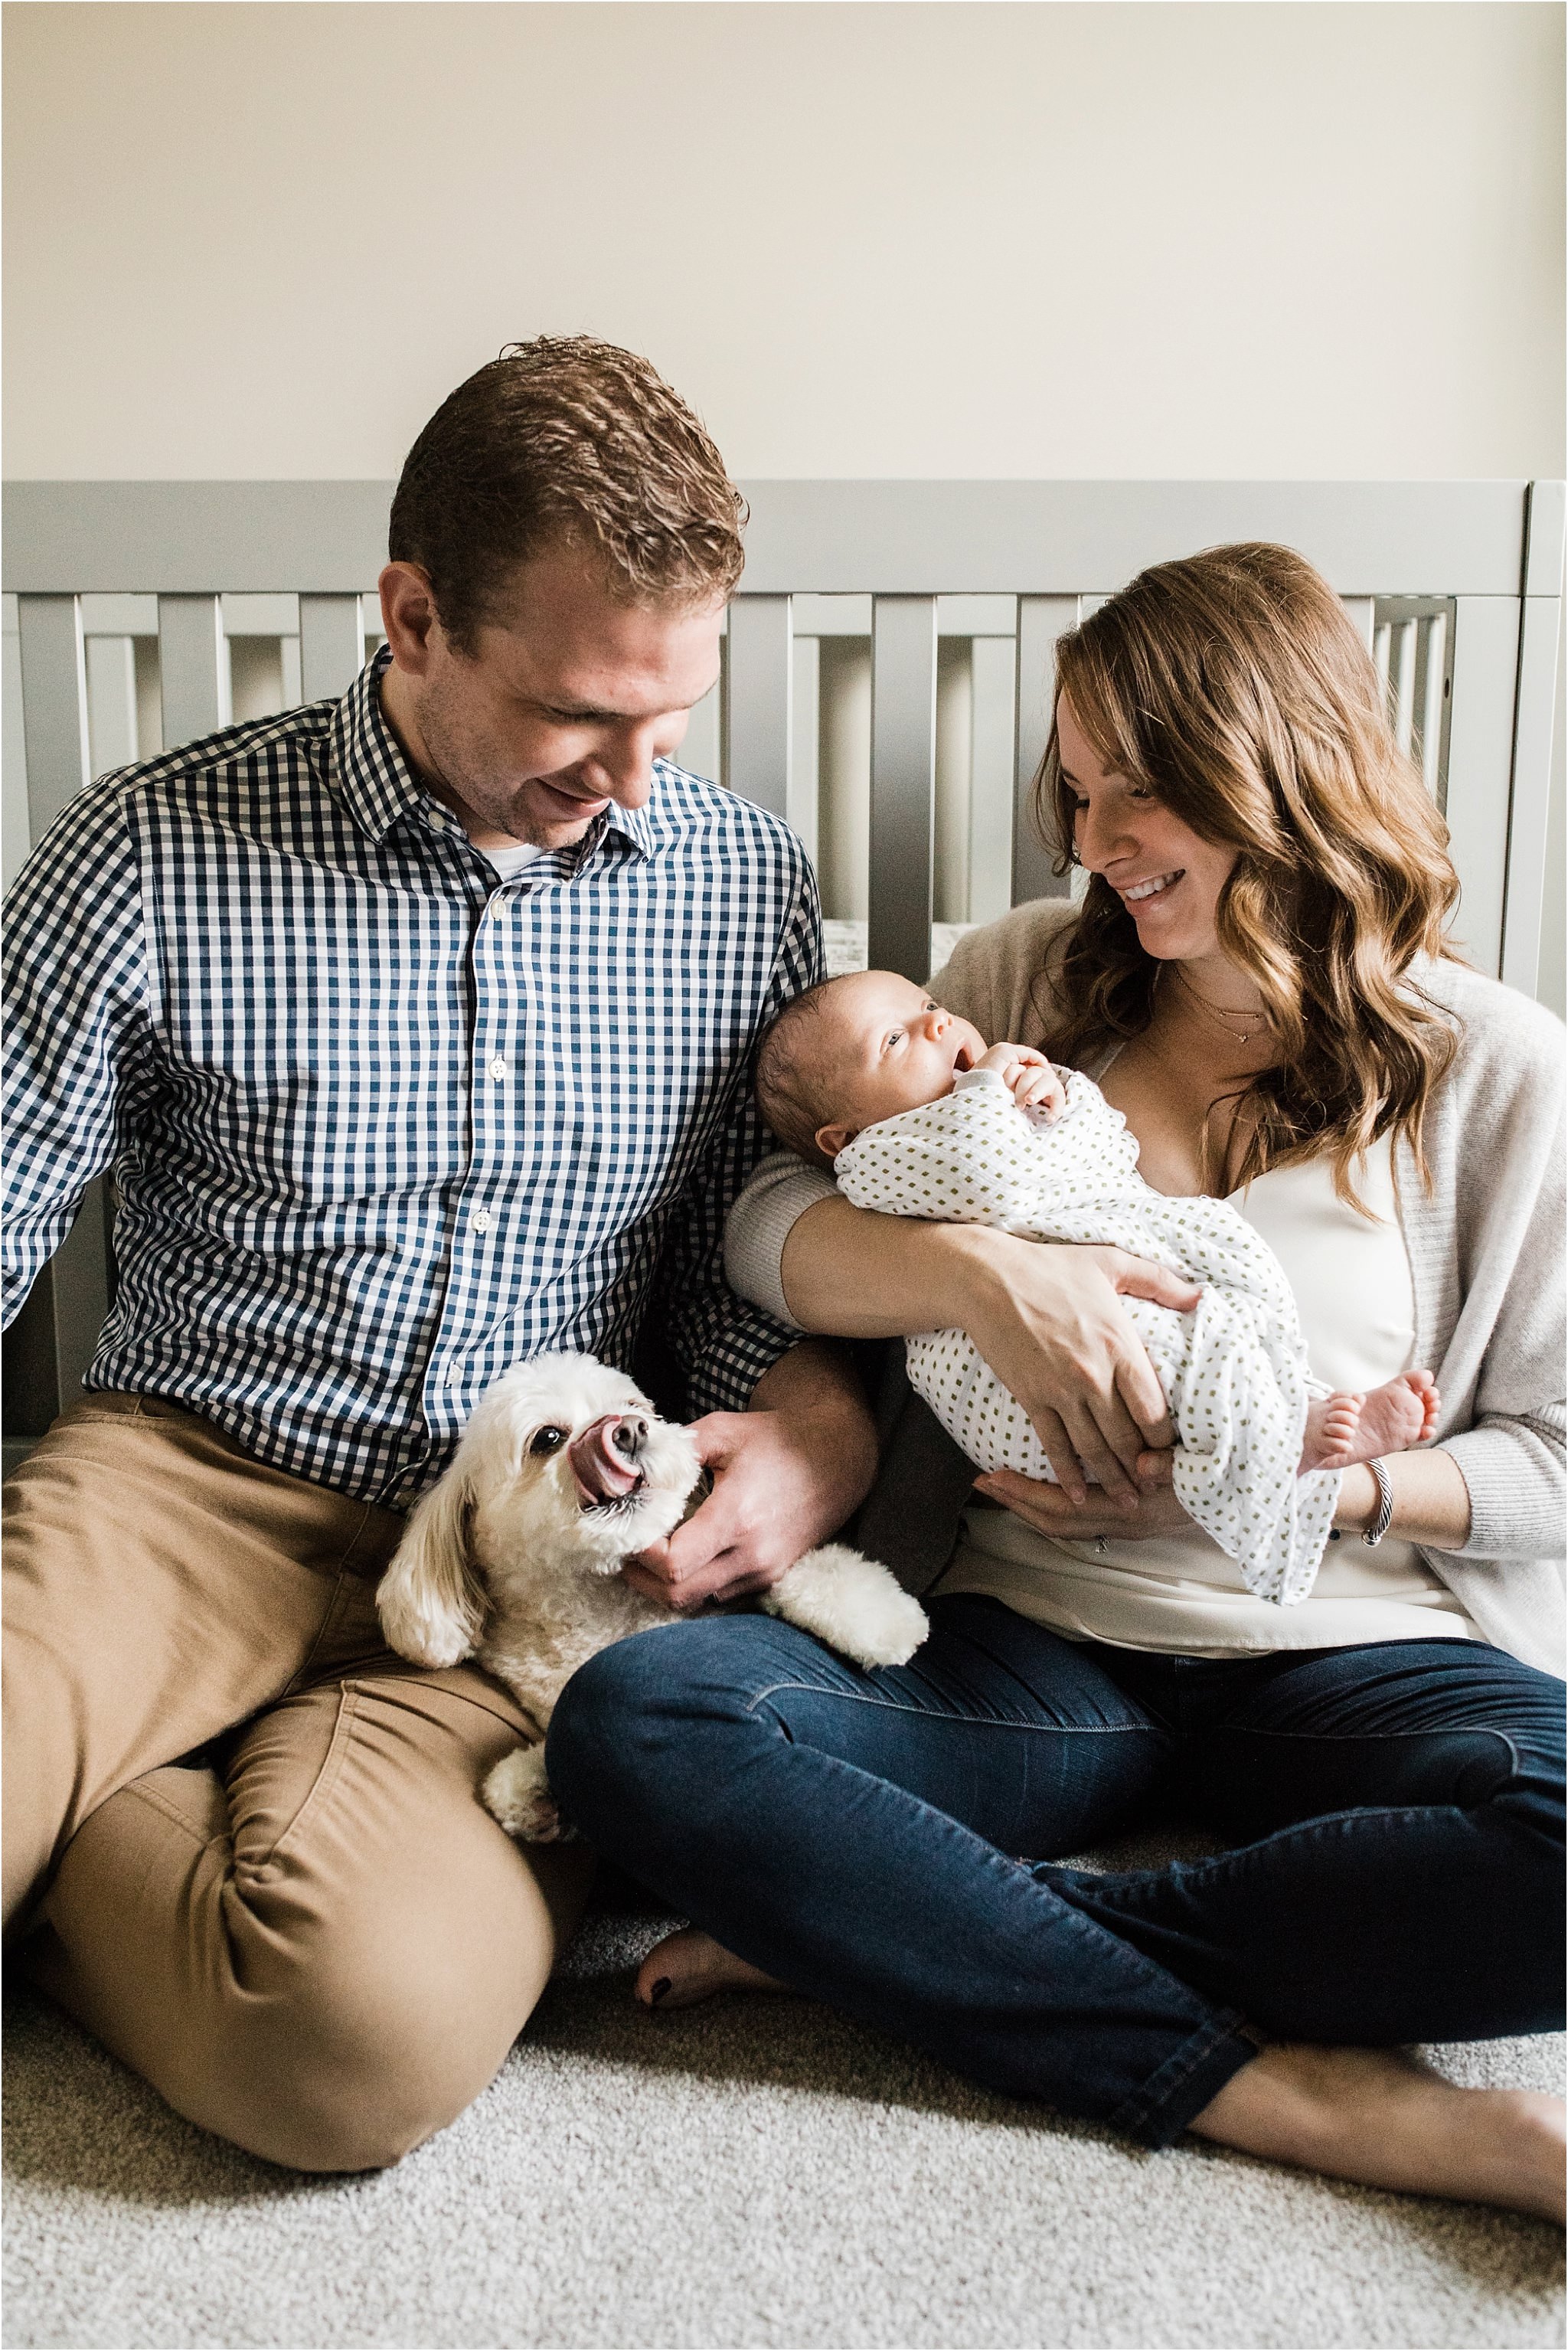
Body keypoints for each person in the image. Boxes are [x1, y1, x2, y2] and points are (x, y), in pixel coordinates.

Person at [549, 543, 1566, 2221]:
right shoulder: (1021, 981)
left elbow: (1547, 1457)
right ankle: (1297, 2096)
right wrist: (980, 1277)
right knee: (641, 1724)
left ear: (1275, 769)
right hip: (1036, 1653)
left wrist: (1336, 1480)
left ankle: (919, 1928)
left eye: (1133, 795)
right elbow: (774, 1215)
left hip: (1356, 1650)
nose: (1089, 845)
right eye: (1075, 793)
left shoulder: (1495, 1066)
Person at [1, 336, 877, 2172]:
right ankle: (94, 1744)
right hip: (184, 1483)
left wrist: (807, 1417)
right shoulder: (149, 851)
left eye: (673, 719)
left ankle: (94, 1821)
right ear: (411, 615)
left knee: (345, 2040)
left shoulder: (735, 882)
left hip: (520, 1550)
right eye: (578, 717)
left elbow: (748, 1266)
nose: (636, 780)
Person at [754, 966, 1442, 1589]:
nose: (937, 1022)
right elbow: (981, 1177)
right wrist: (994, 1092)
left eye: (929, 1006)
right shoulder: (883, 1156)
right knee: (1157, 1354)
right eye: (895, 1042)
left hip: (1373, 1620)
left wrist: (1058, 1095)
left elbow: (1107, 1149)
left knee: (1222, 1333)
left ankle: (1293, 1427)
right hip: (1020, 1402)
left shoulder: (1473, 1043)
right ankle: (1279, 1443)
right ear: (840, 1138)